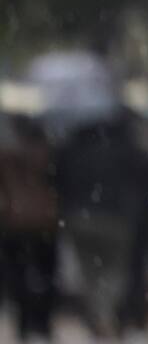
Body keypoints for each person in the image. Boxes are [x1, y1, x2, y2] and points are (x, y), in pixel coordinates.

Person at [55, 112, 148, 339]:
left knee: (90, 271)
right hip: (116, 218)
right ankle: (106, 310)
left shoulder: (74, 150)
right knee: (115, 271)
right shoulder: (126, 151)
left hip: (80, 217)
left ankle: (98, 311)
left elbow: (59, 179)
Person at [0, 115, 58, 341]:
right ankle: (41, 323)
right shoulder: (49, 156)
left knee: (18, 276)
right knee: (46, 275)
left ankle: (25, 324)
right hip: (46, 221)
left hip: (15, 221)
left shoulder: (8, 157)